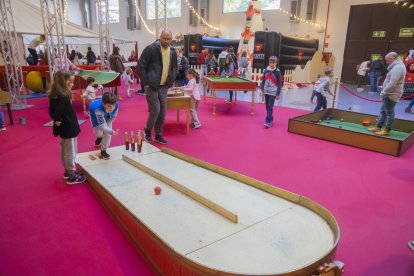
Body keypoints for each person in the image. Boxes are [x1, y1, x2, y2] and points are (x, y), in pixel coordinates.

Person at [138, 29, 177, 145]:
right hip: (152, 85)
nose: (166, 40)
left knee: (163, 113)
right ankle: (148, 131)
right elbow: (141, 65)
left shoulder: (173, 51)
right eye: (164, 38)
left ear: (171, 39)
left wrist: (171, 81)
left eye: (168, 38)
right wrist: (145, 83)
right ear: (160, 37)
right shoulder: (151, 49)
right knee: (155, 110)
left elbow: (174, 68)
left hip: (164, 86)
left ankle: (158, 135)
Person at [48, 70, 86, 184]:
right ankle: (71, 174)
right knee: (71, 150)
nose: (72, 84)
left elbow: (51, 111)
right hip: (68, 126)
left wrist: (57, 121)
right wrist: (58, 120)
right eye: (70, 82)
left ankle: (68, 171)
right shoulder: (63, 96)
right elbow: (57, 113)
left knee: (65, 149)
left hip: (66, 126)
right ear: (63, 82)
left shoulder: (55, 95)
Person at [368, 52, 406, 136]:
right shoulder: (396, 66)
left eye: (387, 60)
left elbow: (392, 83)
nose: (386, 62)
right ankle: (378, 126)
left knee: (389, 112)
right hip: (388, 93)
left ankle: (387, 130)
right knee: (383, 111)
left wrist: (384, 92)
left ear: (392, 59)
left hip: (391, 94)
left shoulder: (398, 68)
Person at [89, 92, 120, 159]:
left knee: (108, 134)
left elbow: (115, 113)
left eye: (113, 105)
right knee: (99, 133)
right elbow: (102, 125)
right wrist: (111, 131)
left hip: (108, 117)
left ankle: (103, 150)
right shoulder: (97, 109)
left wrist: (110, 129)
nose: (112, 108)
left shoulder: (116, 104)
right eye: (109, 106)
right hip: (95, 117)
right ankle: (99, 137)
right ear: (103, 104)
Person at [260, 56, 282, 128]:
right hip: (266, 91)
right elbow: (263, 81)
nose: (271, 64)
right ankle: (271, 118)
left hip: (273, 92)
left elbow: (279, 84)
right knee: (267, 107)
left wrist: (278, 94)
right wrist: (262, 90)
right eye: (270, 62)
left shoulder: (278, 72)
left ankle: (268, 121)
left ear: (276, 63)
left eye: (273, 63)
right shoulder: (266, 70)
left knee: (270, 106)